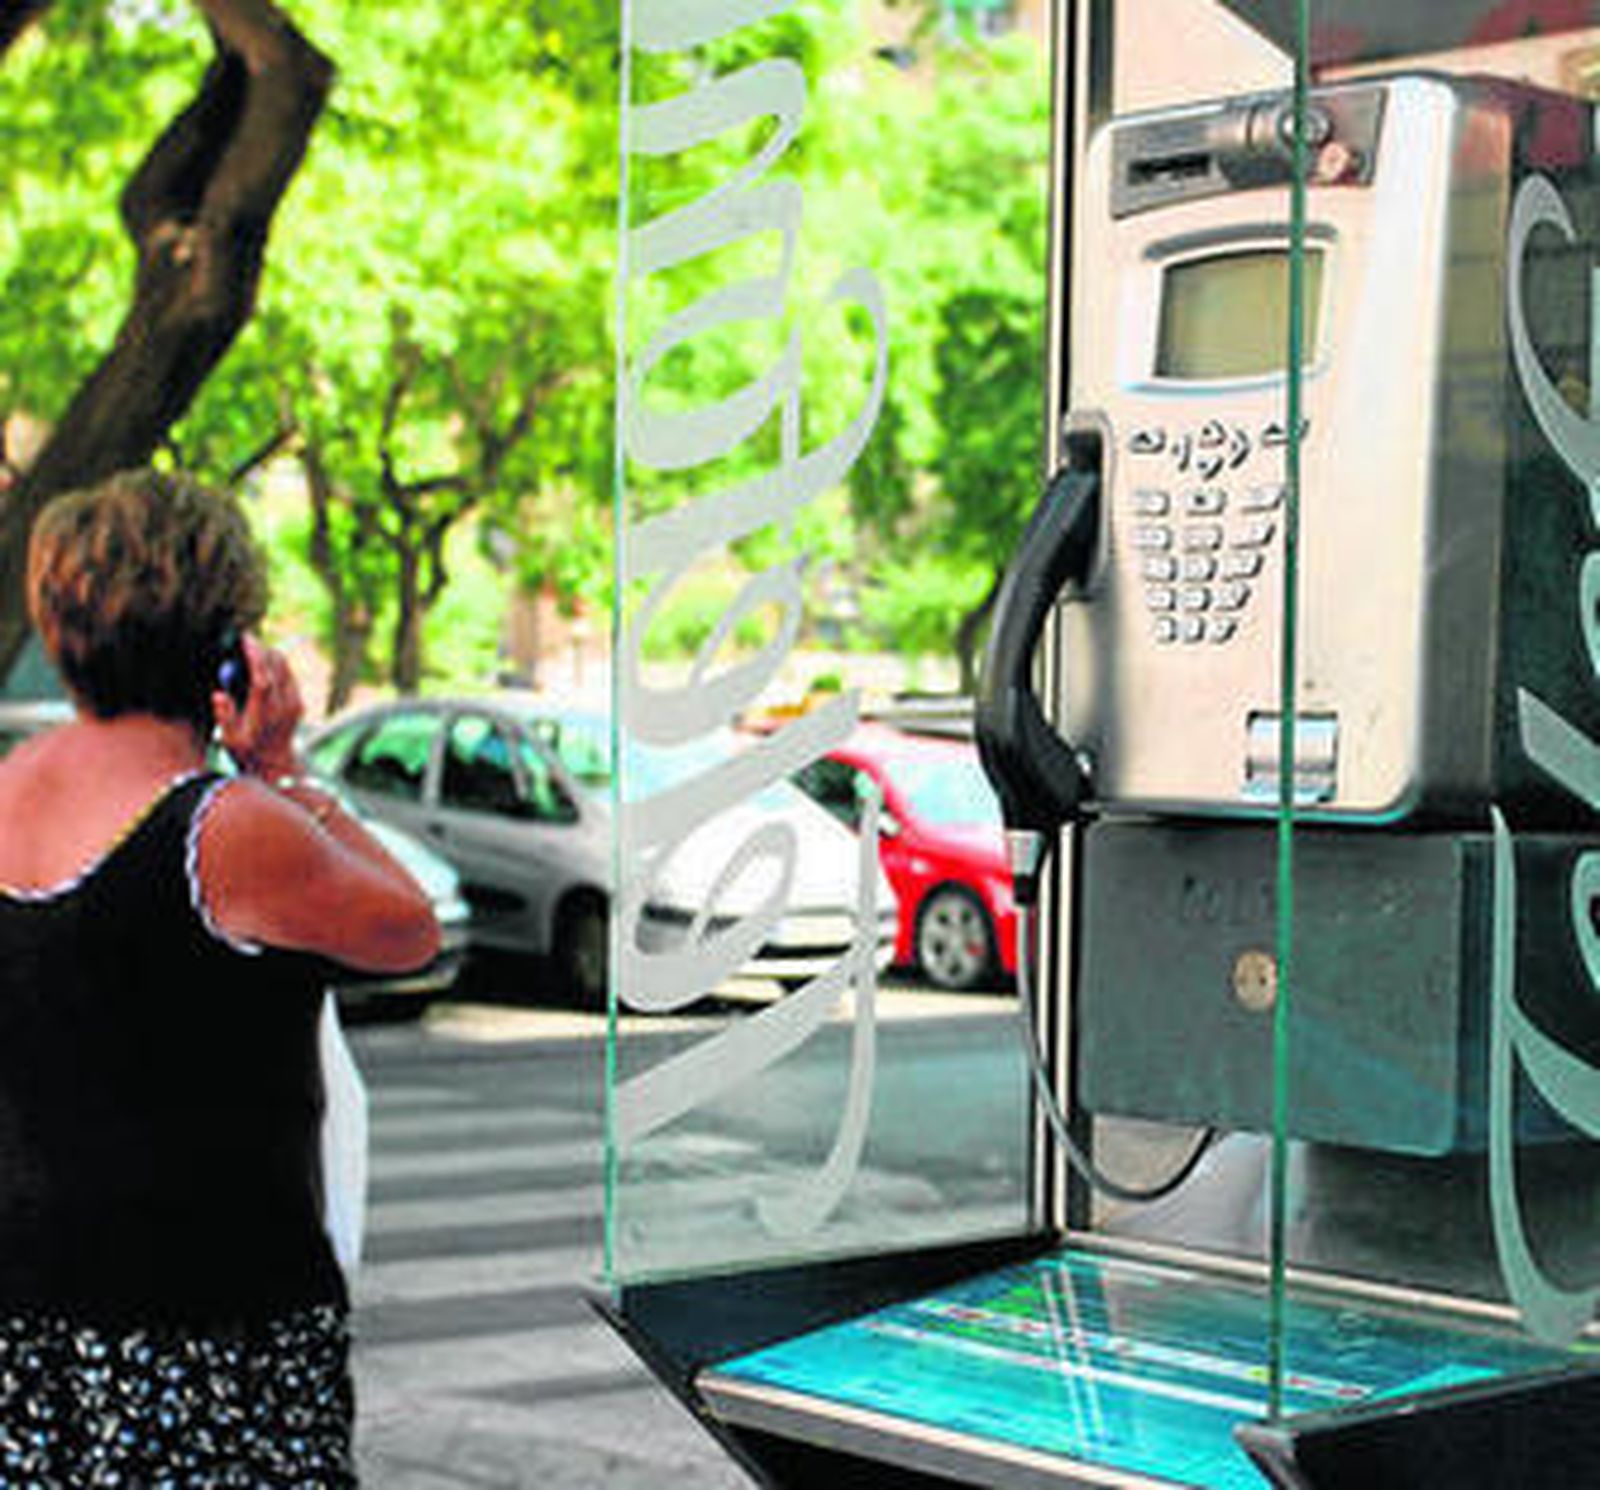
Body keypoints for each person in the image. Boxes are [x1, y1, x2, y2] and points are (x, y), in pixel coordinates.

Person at [0, 467, 440, 1485]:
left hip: (30, 1325)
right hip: (212, 1336)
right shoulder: (227, 825)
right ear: (227, 640)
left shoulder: (7, 792)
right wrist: (281, 764)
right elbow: (407, 928)